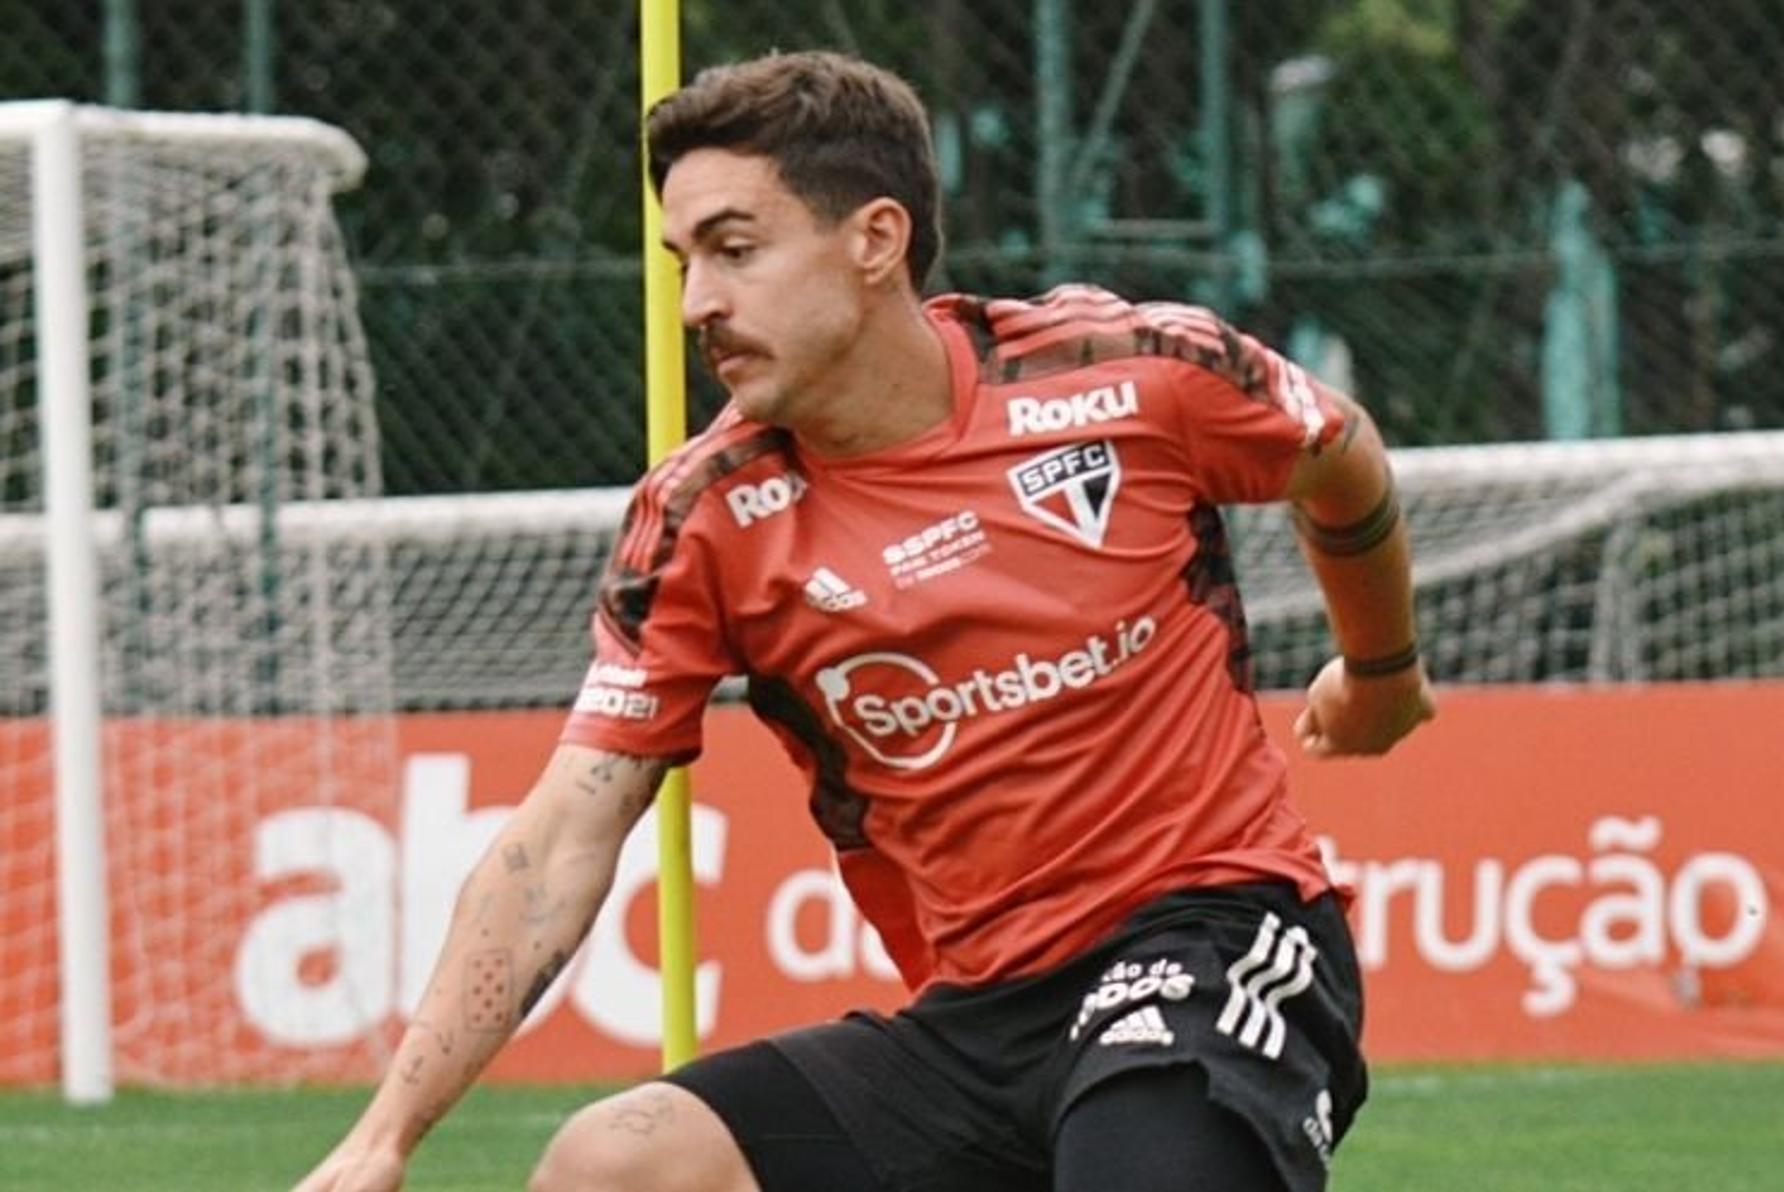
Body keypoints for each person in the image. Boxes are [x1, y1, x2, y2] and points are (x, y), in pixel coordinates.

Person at [295, 49, 1434, 1192]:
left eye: (736, 251)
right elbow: (558, 840)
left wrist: (1381, 667)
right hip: (975, 1025)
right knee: (614, 1165)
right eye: (683, 261)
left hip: (1209, 935)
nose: (698, 303)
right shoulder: (706, 518)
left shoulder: (1132, 374)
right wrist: (382, 1138)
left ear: (875, 240)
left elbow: (1338, 455)